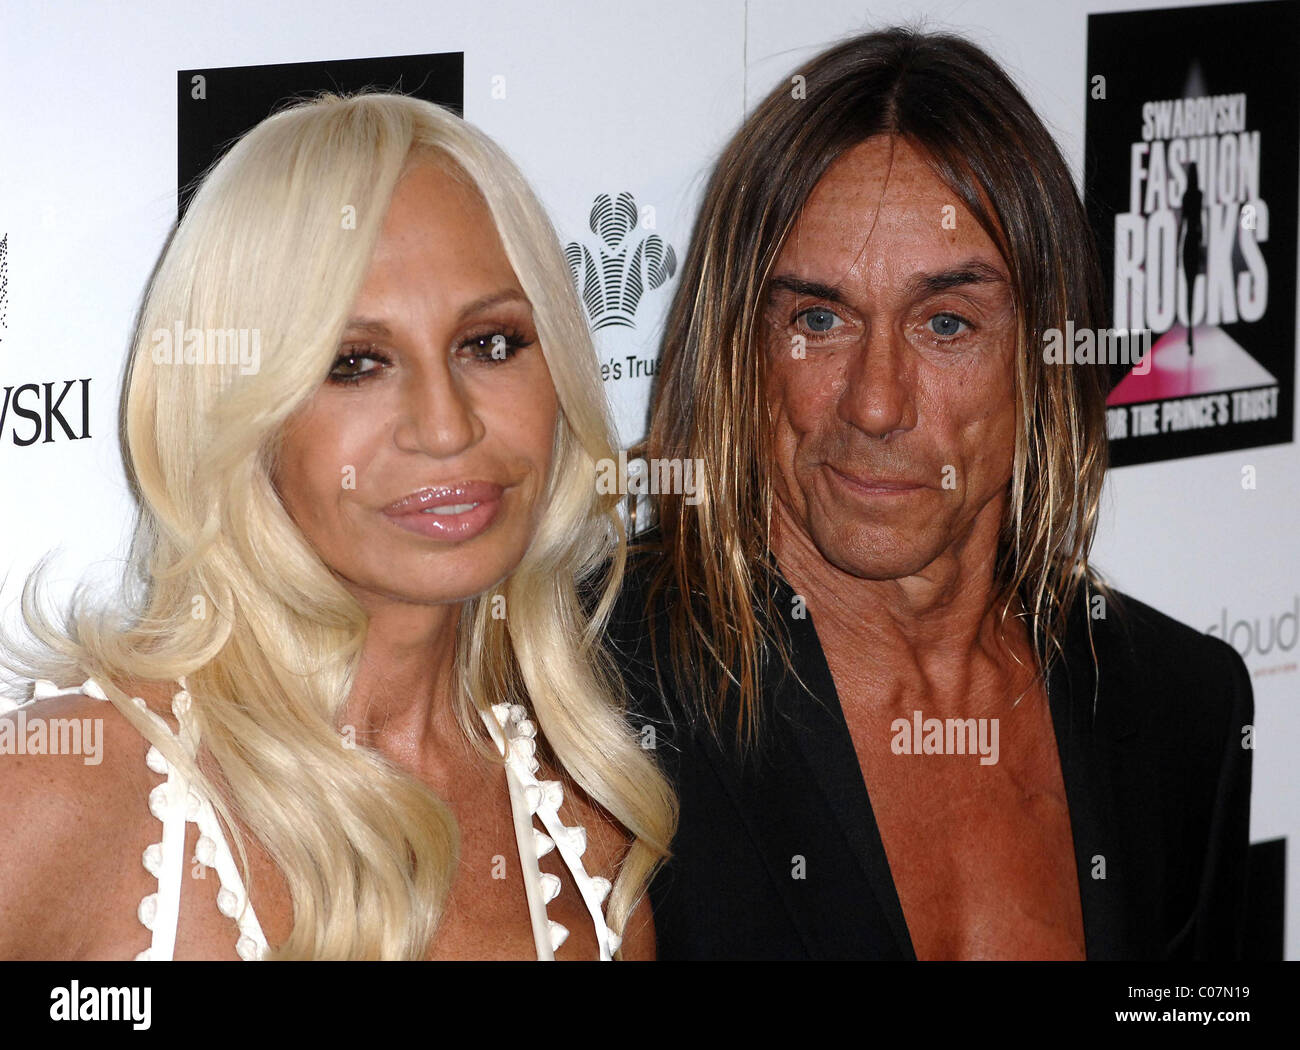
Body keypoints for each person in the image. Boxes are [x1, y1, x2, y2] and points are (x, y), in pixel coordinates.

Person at [609, 27, 1253, 960]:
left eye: (946, 323)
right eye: (819, 319)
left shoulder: (1180, 708)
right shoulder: (590, 701)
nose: (876, 402)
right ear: (737, 348)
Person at [0, 92, 675, 960]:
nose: (446, 426)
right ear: (239, 411)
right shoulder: (74, 786)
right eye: (355, 364)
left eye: (490, 344)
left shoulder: (589, 843)